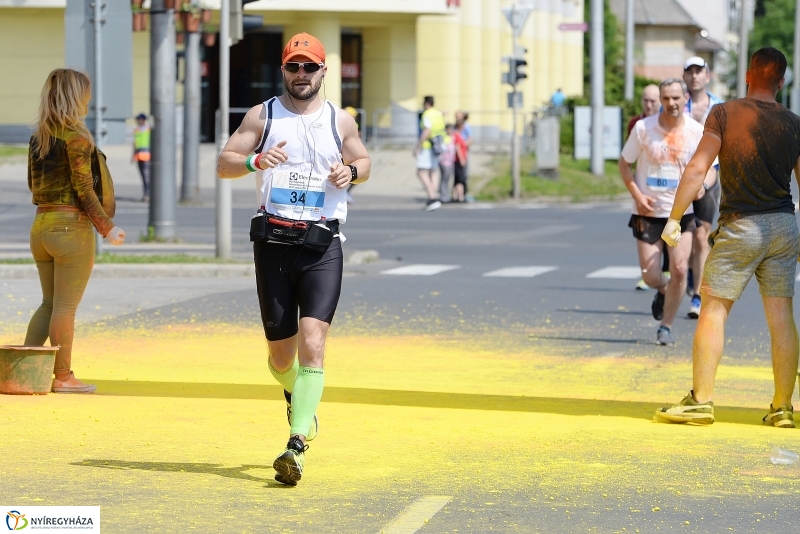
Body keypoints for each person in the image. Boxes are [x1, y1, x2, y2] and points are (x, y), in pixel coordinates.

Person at [216, 32, 370, 485]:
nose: (300, 75)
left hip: (322, 245)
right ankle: (296, 395)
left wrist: (352, 171)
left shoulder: (340, 121)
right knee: (282, 358)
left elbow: (364, 160)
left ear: (324, 71)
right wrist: (254, 162)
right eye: (293, 67)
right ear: (282, 70)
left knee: (314, 344)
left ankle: (296, 443)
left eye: (309, 67)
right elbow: (225, 161)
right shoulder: (262, 115)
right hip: (274, 244)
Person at [656, 47, 800, 427]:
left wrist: (674, 218)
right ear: (782, 82)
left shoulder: (724, 113)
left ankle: (700, 400)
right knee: (782, 316)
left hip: (741, 226)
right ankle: (783, 407)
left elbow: (697, 169)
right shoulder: (793, 123)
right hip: (784, 227)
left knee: (714, 312)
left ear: (749, 75)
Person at [25, 68, 126, 393]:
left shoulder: (38, 136)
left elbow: (32, 184)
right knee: (64, 307)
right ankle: (63, 377)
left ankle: (24, 370)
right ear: (75, 97)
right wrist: (107, 228)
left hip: (41, 225)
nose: (90, 99)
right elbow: (85, 191)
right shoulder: (76, 137)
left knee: (49, 303)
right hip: (71, 228)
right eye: (86, 93)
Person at [618, 78, 709, 346]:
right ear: (660, 100)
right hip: (648, 211)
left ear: (685, 99)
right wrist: (637, 194)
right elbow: (625, 164)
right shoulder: (644, 129)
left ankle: (665, 326)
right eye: (666, 98)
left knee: (680, 268)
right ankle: (662, 289)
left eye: (676, 98)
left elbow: (709, 170)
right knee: (650, 274)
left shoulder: (696, 131)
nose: (671, 103)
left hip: (681, 212)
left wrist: (702, 186)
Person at [682, 56, 724, 319]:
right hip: (682, 177)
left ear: (707, 76)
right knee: (682, 235)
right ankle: (687, 269)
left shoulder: (719, 107)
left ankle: (698, 294)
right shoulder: (678, 106)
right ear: (685, 76)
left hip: (712, 172)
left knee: (701, 234)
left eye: (699, 71)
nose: (695, 76)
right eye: (690, 72)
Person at [414, 95, 446, 211]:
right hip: (438, 144)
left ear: (426, 103)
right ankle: (435, 197)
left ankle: (432, 197)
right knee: (433, 171)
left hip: (427, 145)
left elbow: (427, 130)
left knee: (421, 172)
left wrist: (418, 146)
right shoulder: (438, 113)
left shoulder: (427, 114)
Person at [132, 112, 151, 202]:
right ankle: (146, 194)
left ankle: (147, 194)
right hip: (139, 156)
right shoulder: (136, 130)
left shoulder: (148, 130)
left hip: (147, 156)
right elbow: (135, 144)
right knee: (143, 177)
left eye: (139, 119)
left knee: (147, 177)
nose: (138, 121)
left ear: (143, 120)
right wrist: (133, 155)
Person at [438, 123, 456, 203]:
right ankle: (443, 197)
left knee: (447, 179)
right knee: (444, 180)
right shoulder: (444, 138)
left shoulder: (452, 137)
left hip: (451, 162)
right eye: (448, 129)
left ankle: (446, 196)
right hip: (444, 162)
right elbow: (443, 149)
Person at [452, 119, 468, 203]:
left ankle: (455, 196)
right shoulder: (457, 135)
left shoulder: (458, 135)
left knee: (457, 178)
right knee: (460, 179)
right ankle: (460, 196)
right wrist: (462, 159)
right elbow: (458, 148)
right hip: (458, 160)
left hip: (458, 160)